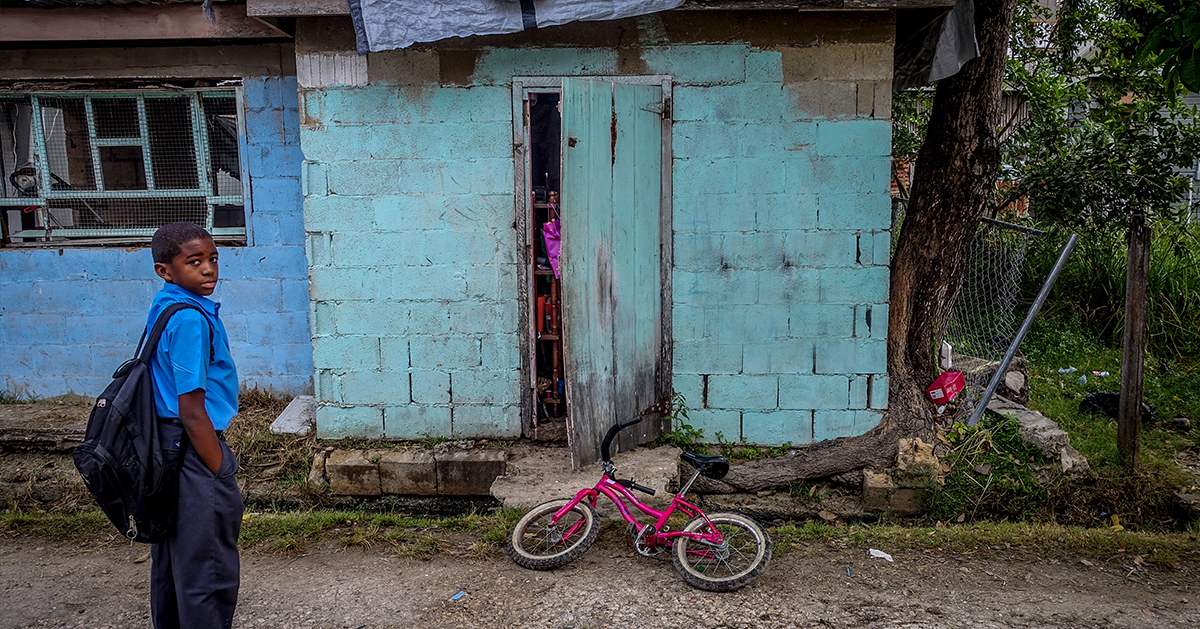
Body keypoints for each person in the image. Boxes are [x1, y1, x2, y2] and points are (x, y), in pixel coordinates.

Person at [146, 222, 243, 629]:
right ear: (165, 270)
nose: (208, 270)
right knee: (207, 569)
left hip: (166, 447)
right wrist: (219, 466)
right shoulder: (188, 319)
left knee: (176, 562)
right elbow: (191, 408)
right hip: (191, 449)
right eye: (194, 262)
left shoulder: (166, 304)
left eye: (213, 259)